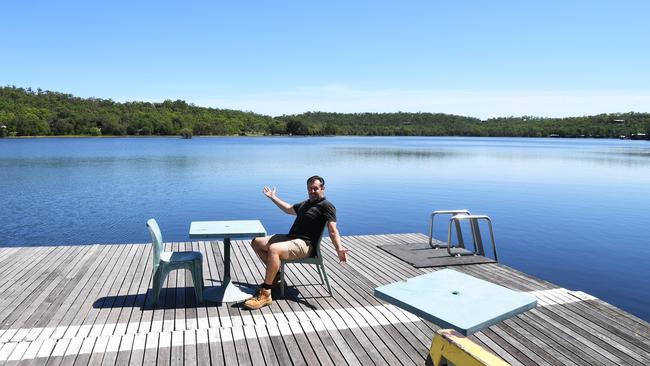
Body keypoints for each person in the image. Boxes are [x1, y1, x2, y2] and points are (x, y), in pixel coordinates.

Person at [244, 175, 348, 310]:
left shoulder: (327, 206)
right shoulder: (306, 204)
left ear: (323, 188)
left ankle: (266, 293)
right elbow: (288, 209)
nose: (312, 191)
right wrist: (273, 197)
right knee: (256, 242)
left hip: (305, 245)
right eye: (310, 188)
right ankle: (275, 276)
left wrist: (339, 248)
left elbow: (333, 230)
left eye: (315, 188)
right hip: (291, 238)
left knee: (274, 249)